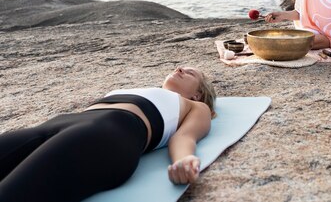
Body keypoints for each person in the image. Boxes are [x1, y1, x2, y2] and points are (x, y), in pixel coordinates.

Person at [0, 66, 217, 202]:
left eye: (190, 73)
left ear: (197, 94)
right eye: (180, 67)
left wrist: (184, 160)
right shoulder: (141, 90)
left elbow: (184, 137)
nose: (179, 69)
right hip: (58, 124)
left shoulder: (194, 106)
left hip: (107, 133)